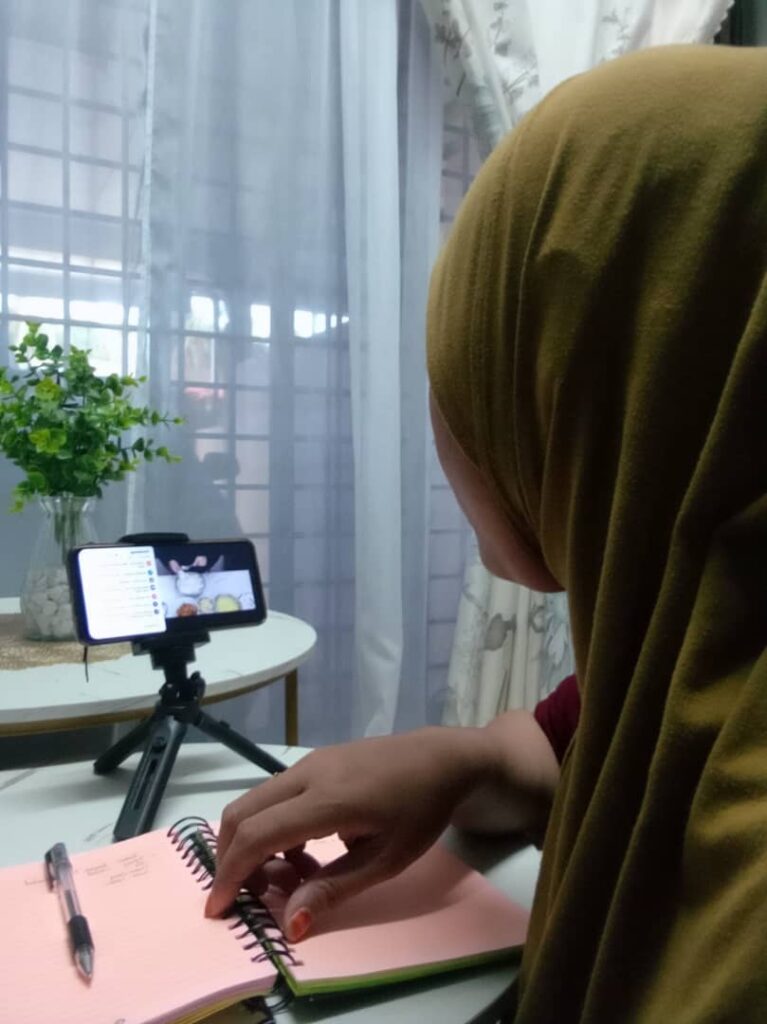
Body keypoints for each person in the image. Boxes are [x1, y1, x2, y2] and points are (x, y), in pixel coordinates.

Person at [207, 43, 767, 1021]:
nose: (453, 412)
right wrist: (457, 759)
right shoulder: (700, 639)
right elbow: (557, 743)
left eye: (481, 351)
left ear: (599, 369)